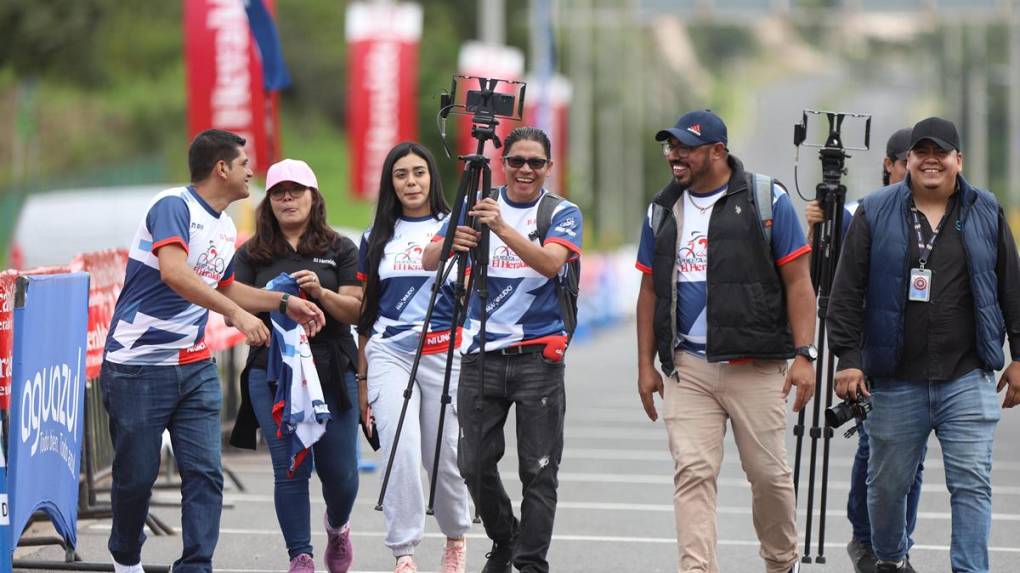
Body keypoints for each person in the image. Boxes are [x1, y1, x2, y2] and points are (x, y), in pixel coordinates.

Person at [100, 131, 325, 573]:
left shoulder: (224, 225)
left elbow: (225, 287)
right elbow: (175, 274)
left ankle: (196, 565)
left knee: (205, 474)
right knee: (136, 480)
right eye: (244, 163)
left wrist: (282, 303)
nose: (251, 171)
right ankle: (126, 559)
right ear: (221, 168)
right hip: (137, 368)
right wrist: (238, 317)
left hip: (195, 366)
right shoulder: (173, 206)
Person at [827, 116, 1020, 573]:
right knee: (887, 486)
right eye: (921, 152)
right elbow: (846, 292)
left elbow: (1011, 289)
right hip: (894, 381)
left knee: (972, 483)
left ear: (959, 160)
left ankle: (970, 570)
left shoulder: (987, 211)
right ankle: (891, 559)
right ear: (907, 160)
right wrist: (849, 361)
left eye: (941, 152)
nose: (931, 160)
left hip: (967, 376)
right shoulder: (875, 211)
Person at [634, 109, 816, 573]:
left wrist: (804, 354)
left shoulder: (765, 199)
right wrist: (645, 366)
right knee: (692, 474)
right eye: (670, 147)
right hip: (688, 368)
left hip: (755, 366)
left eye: (685, 148)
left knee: (769, 479)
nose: (675, 155)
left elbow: (798, 283)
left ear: (717, 151)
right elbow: (650, 291)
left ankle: (781, 562)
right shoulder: (662, 209)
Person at [422, 126, 582, 573]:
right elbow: (428, 258)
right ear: (503, 164)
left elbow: (551, 263)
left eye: (535, 162)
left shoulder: (561, 212)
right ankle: (504, 536)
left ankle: (531, 564)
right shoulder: (478, 205)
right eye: (516, 161)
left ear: (548, 168)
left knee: (539, 470)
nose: (525, 170)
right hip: (481, 354)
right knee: (470, 462)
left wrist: (502, 228)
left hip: (538, 358)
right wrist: (453, 241)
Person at [228, 158, 363, 573]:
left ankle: (337, 526)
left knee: (339, 474)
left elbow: (355, 310)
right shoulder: (251, 252)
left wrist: (320, 293)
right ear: (268, 202)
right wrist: (275, 302)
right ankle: (300, 557)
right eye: (279, 193)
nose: (288, 199)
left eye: (296, 191)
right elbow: (233, 299)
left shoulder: (340, 248)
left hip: (331, 370)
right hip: (271, 373)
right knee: (290, 468)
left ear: (313, 197)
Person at [805, 127, 924, 573]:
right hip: (872, 352)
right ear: (890, 165)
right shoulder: (859, 214)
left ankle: (895, 545)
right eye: (907, 160)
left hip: (921, 355)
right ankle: (869, 541)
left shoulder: (938, 212)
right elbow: (826, 286)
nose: (915, 169)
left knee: (910, 459)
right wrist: (817, 231)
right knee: (877, 450)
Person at [356, 142, 471, 573]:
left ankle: (455, 537)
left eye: (419, 172)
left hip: (446, 354)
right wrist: (363, 379)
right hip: (389, 353)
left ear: (431, 178)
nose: (411, 181)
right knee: (398, 453)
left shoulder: (456, 228)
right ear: (391, 183)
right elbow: (367, 312)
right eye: (401, 174)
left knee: (444, 457)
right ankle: (404, 553)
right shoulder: (376, 237)